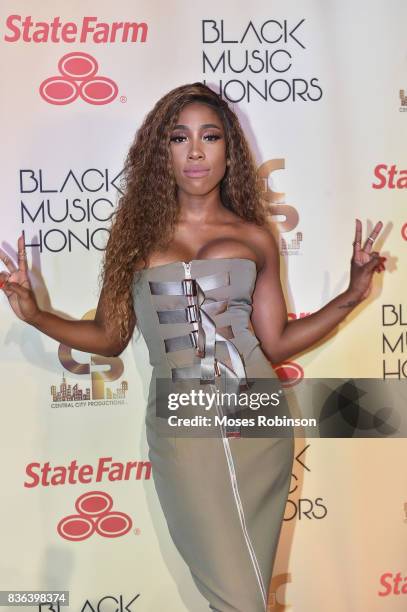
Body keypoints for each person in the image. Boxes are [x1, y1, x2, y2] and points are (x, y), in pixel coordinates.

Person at [0, 83, 385, 612]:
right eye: (180, 138)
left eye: (211, 137)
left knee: (242, 596)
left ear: (230, 151)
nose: (197, 152)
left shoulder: (255, 236)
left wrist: (352, 294)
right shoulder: (134, 238)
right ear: (163, 152)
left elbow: (274, 341)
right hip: (183, 423)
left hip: (258, 418)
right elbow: (111, 339)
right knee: (241, 597)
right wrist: (35, 314)